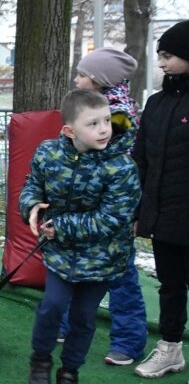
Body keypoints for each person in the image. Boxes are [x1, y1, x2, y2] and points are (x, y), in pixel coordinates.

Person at [21, 89, 141, 384]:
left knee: (85, 317)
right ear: (69, 131)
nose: (104, 129)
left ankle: (70, 374)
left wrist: (58, 227)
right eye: (93, 124)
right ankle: (41, 363)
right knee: (51, 306)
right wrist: (32, 206)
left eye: (106, 120)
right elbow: (33, 184)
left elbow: (112, 219)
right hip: (60, 253)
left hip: (103, 258)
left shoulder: (122, 168)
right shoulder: (49, 153)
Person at [68, 47, 147, 366]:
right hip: (87, 200)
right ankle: (67, 325)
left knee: (119, 271)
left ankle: (128, 341)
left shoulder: (118, 114)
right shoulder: (92, 105)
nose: (76, 78)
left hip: (111, 204)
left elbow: (96, 149)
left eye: (82, 74)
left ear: (99, 80)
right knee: (72, 263)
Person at [131, 19, 189, 384]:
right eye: (160, 56)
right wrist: (140, 210)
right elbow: (141, 158)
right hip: (164, 214)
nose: (162, 63)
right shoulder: (156, 102)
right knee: (170, 285)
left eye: (168, 56)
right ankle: (170, 348)